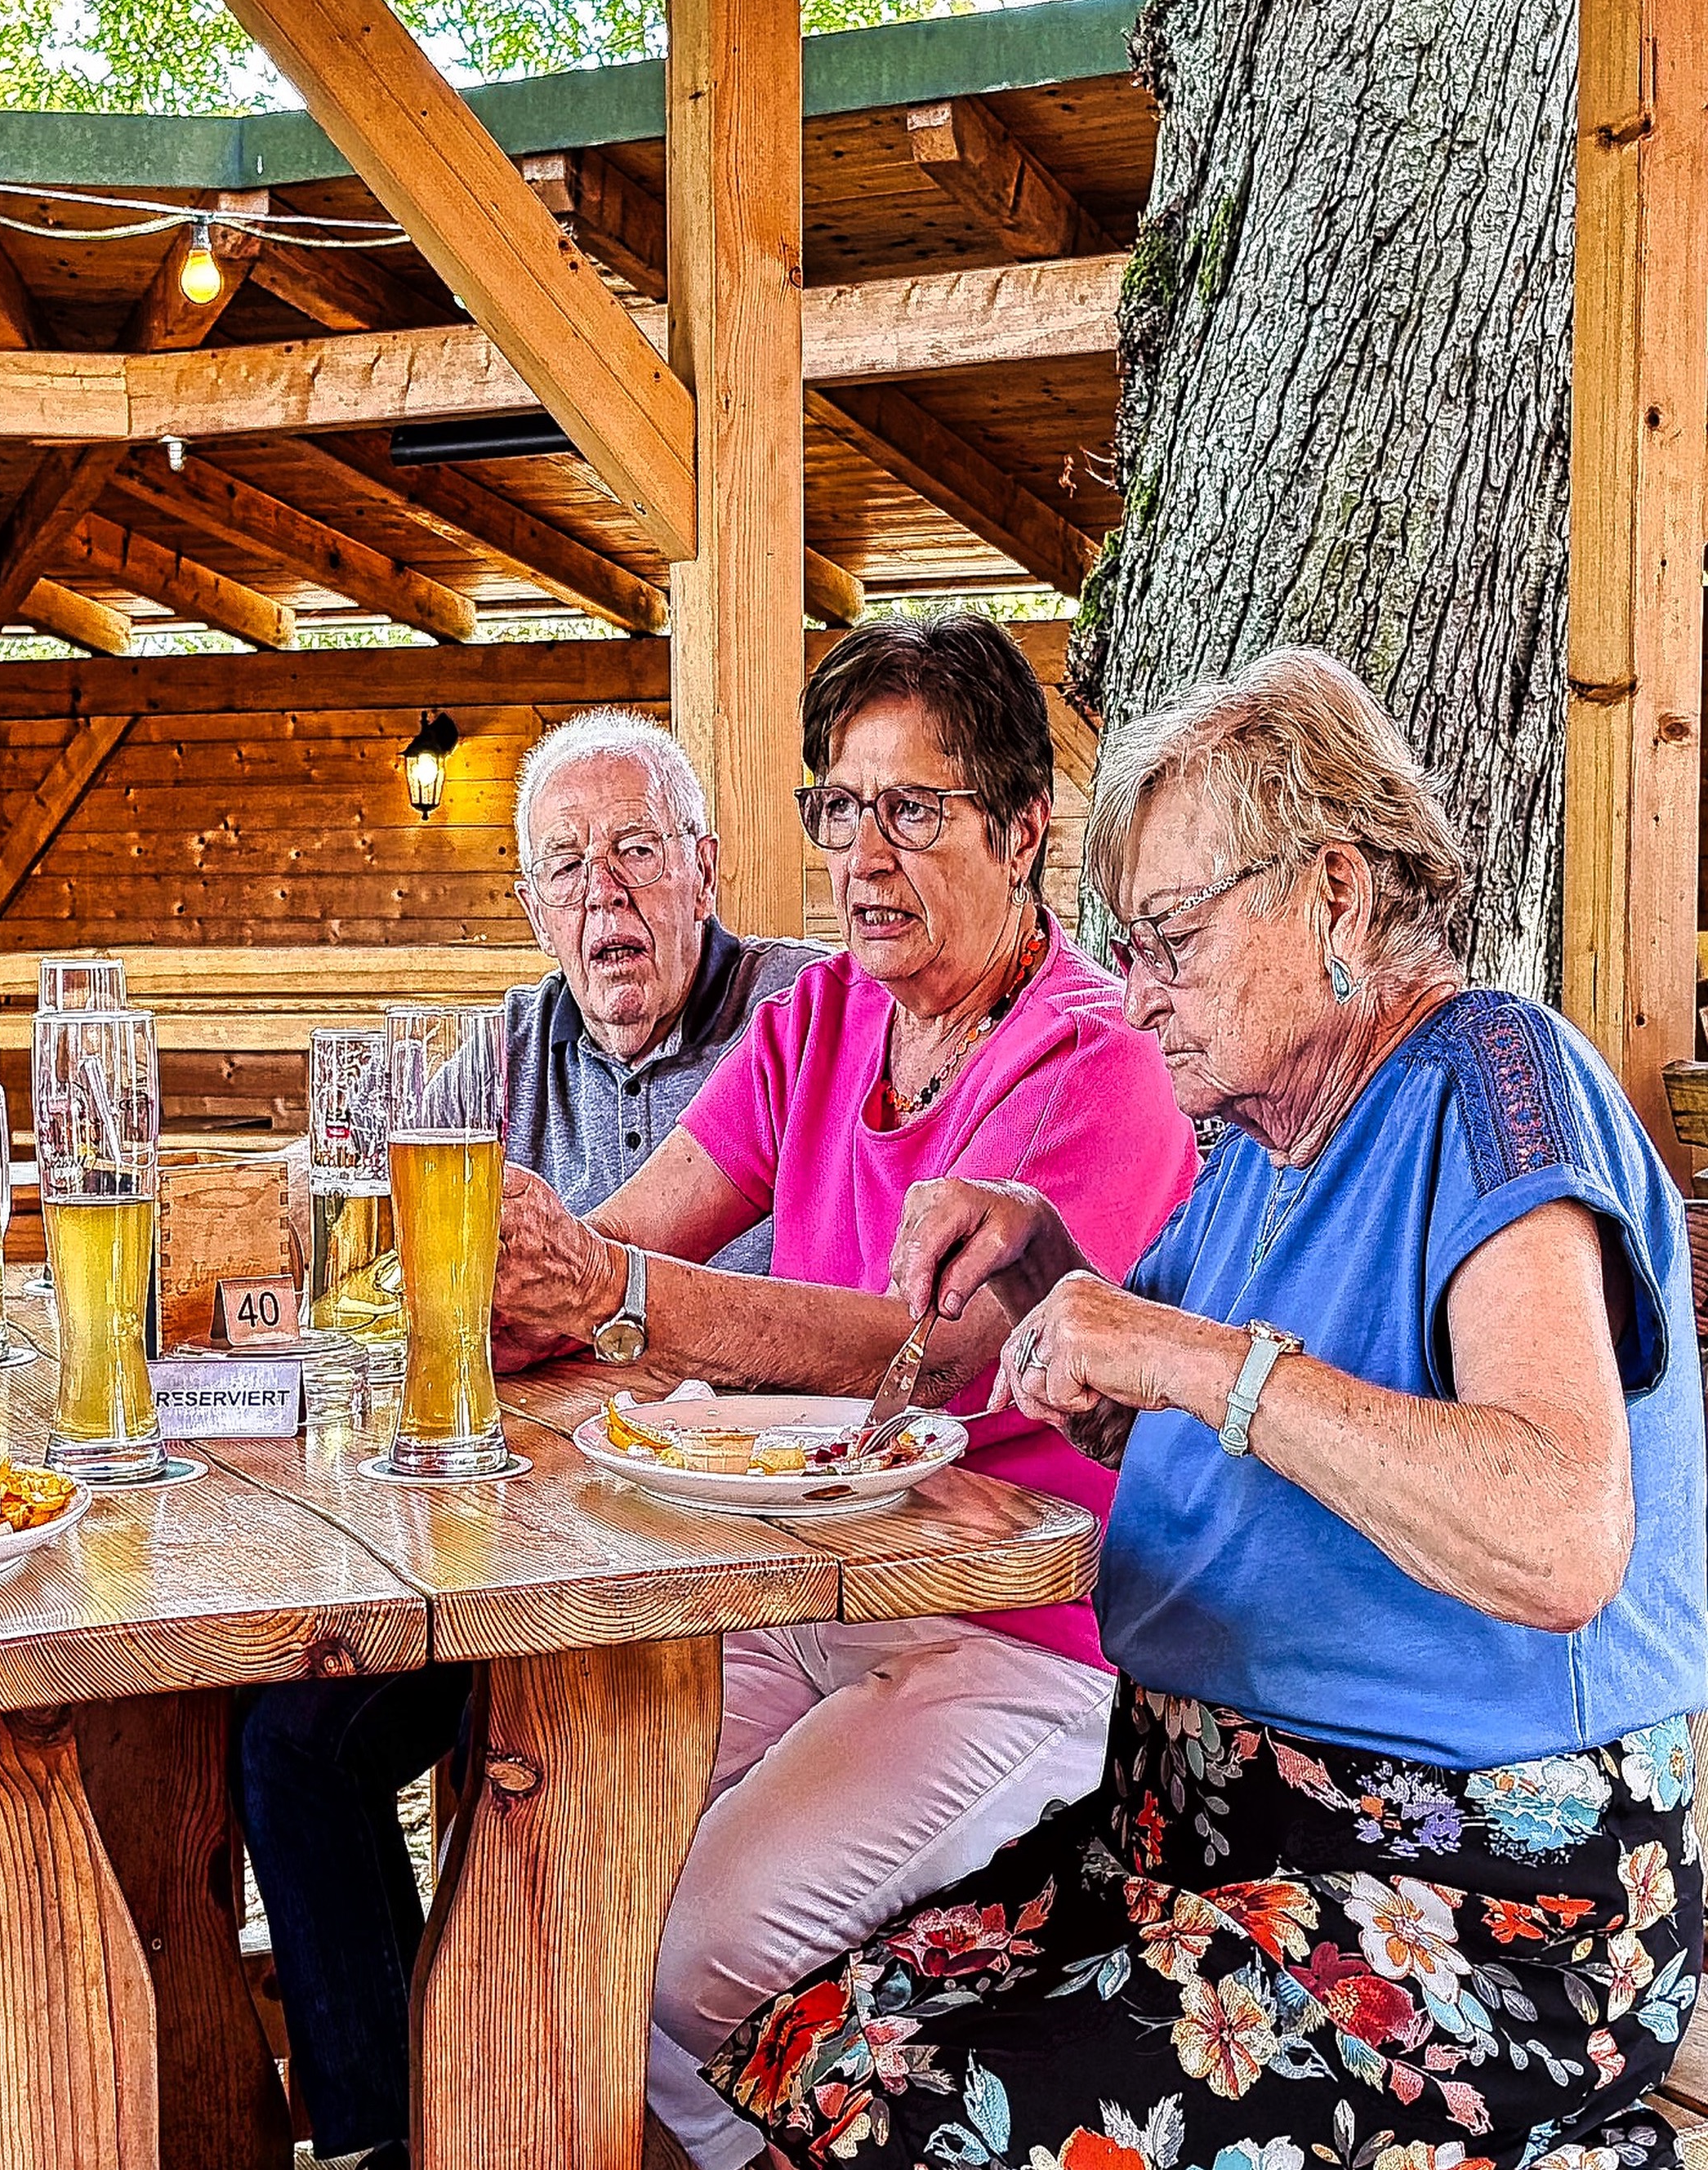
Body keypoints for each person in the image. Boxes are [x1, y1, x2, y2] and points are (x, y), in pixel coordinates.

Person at [710, 647, 1704, 2170]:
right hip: (1188, 1836)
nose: (1139, 992)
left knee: (937, 2122)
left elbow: (1558, 1528)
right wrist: (1062, 1284)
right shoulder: (1251, 1142)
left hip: (1466, 1893)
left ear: (1338, 898)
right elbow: (1177, 1420)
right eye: (1127, 944)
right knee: (819, 2038)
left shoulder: (1492, 1083)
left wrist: (1189, 1356)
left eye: (1172, 935)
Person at [234, 613, 1201, 2170]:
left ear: (1027, 833)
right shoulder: (815, 1020)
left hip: (1013, 1628)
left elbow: (932, 1342)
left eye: (914, 808)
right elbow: (632, 1234)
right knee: (539, 1883)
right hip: (784, 1587)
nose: (864, 854)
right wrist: (492, 1284)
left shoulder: (1096, 1058)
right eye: (839, 806)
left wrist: (606, 1295)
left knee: (676, 1960)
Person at [498, 709, 820, 1265]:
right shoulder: (502, 1056)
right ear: (536, 917)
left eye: (637, 849)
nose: (602, 891)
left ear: (704, 875)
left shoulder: (805, 1014)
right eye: (567, 866)